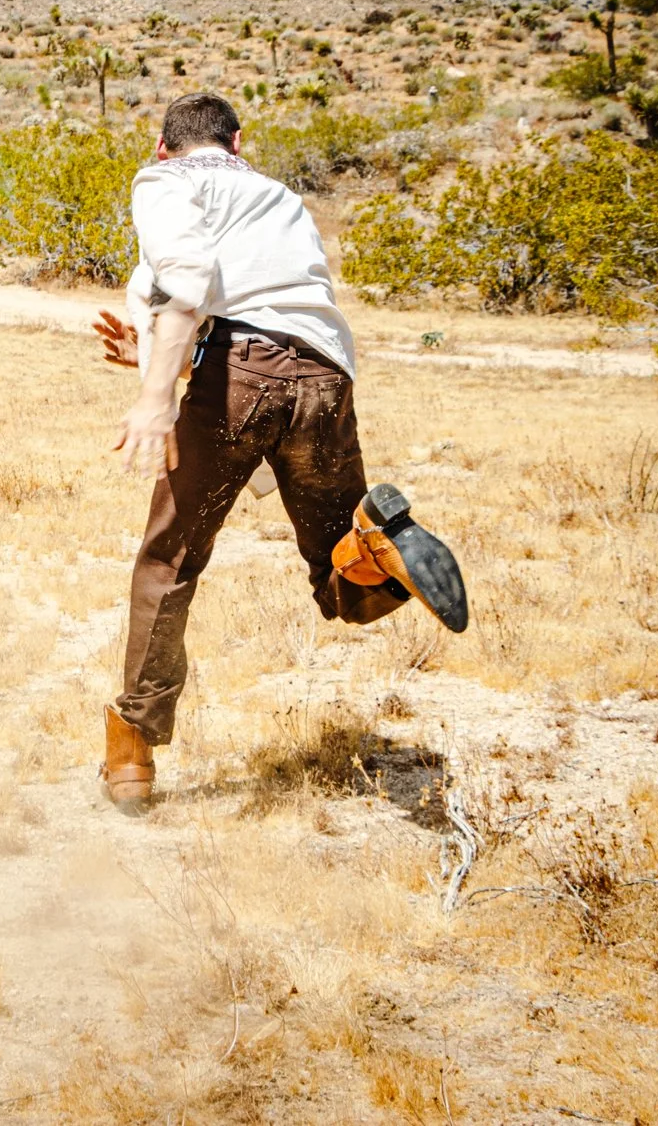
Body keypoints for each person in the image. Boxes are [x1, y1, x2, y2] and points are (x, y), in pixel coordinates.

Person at [98, 92, 467, 813]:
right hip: (325, 377)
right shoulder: (279, 197)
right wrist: (150, 358)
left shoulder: (166, 180)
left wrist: (155, 397)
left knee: (169, 561)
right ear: (238, 142)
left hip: (240, 374)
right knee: (340, 573)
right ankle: (382, 543)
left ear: (162, 146)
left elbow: (187, 281)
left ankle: (132, 750)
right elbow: (264, 310)